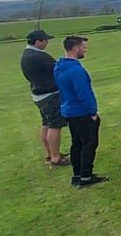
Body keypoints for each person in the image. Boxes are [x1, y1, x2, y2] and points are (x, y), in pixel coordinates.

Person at [53, 36, 108, 188]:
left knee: (76, 143)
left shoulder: (59, 67)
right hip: (81, 112)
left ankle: (77, 174)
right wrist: (92, 112)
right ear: (76, 48)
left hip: (69, 110)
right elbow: (83, 93)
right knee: (89, 144)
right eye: (83, 47)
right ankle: (86, 176)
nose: (85, 50)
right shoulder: (76, 70)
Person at [19, 29, 68, 168]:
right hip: (49, 96)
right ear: (38, 42)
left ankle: (50, 154)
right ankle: (56, 158)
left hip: (38, 95)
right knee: (55, 126)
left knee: (46, 124)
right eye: (46, 40)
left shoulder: (26, 55)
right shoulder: (39, 56)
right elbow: (58, 68)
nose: (48, 42)